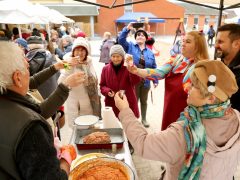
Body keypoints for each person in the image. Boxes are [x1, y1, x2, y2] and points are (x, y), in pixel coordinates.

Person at [114, 60, 240, 179]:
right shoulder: (236, 117)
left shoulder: (184, 133)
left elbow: (143, 144)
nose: (188, 86)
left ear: (211, 98)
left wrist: (125, 110)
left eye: (194, 85)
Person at [0, 41, 77, 179]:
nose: (28, 64)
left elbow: (31, 81)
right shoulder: (31, 128)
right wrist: (66, 159)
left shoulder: (6, 89)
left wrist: (56, 67)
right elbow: (41, 111)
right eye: (26, 64)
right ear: (17, 78)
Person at [126, 31, 209, 130]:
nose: (183, 44)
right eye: (183, 41)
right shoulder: (176, 60)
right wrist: (137, 71)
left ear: (198, 46)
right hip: (170, 108)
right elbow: (159, 73)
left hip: (187, 114)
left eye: (188, 42)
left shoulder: (203, 67)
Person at [118, 22, 158, 128]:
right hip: (132, 80)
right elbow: (121, 40)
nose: (140, 36)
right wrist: (127, 28)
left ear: (146, 38)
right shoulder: (130, 46)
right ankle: (133, 119)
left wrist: (155, 80)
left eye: (142, 35)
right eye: (138, 35)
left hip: (145, 80)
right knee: (133, 100)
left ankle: (144, 119)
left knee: (144, 100)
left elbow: (154, 67)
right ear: (135, 38)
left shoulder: (150, 52)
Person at [58, 37, 101, 128]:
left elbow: (94, 79)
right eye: (77, 50)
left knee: (88, 126)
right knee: (76, 128)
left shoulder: (89, 62)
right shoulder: (67, 62)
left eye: (82, 50)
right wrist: (69, 67)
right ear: (73, 51)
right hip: (74, 102)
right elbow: (60, 82)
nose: (80, 53)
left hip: (88, 100)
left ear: (86, 52)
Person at [100, 45, 142, 118]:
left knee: (129, 125)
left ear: (122, 56)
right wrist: (107, 91)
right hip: (112, 102)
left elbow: (136, 81)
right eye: (113, 56)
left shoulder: (128, 66)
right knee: (113, 125)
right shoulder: (105, 69)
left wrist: (132, 69)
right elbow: (102, 86)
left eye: (118, 56)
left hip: (127, 101)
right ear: (110, 57)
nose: (115, 59)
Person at [215, 23, 240, 112]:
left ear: (236, 44)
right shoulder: (220, 64)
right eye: (216, 41)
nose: (216, 46)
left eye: (220, 42)